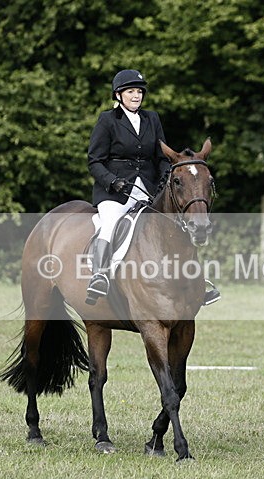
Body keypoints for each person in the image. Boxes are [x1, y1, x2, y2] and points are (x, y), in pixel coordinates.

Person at [86, 69, 171, 304]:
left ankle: (195, 282)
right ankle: (100, 275)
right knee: (110, 222)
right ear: (118, 95)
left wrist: (163, 179)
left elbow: (162, 156)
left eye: (139, 92)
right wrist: (112, 181)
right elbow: (94, 161)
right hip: (115, 192)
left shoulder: (152, 118)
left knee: (175, 223)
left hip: (148, 190)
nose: (136, 96)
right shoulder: (108, 120)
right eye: (131, 91)